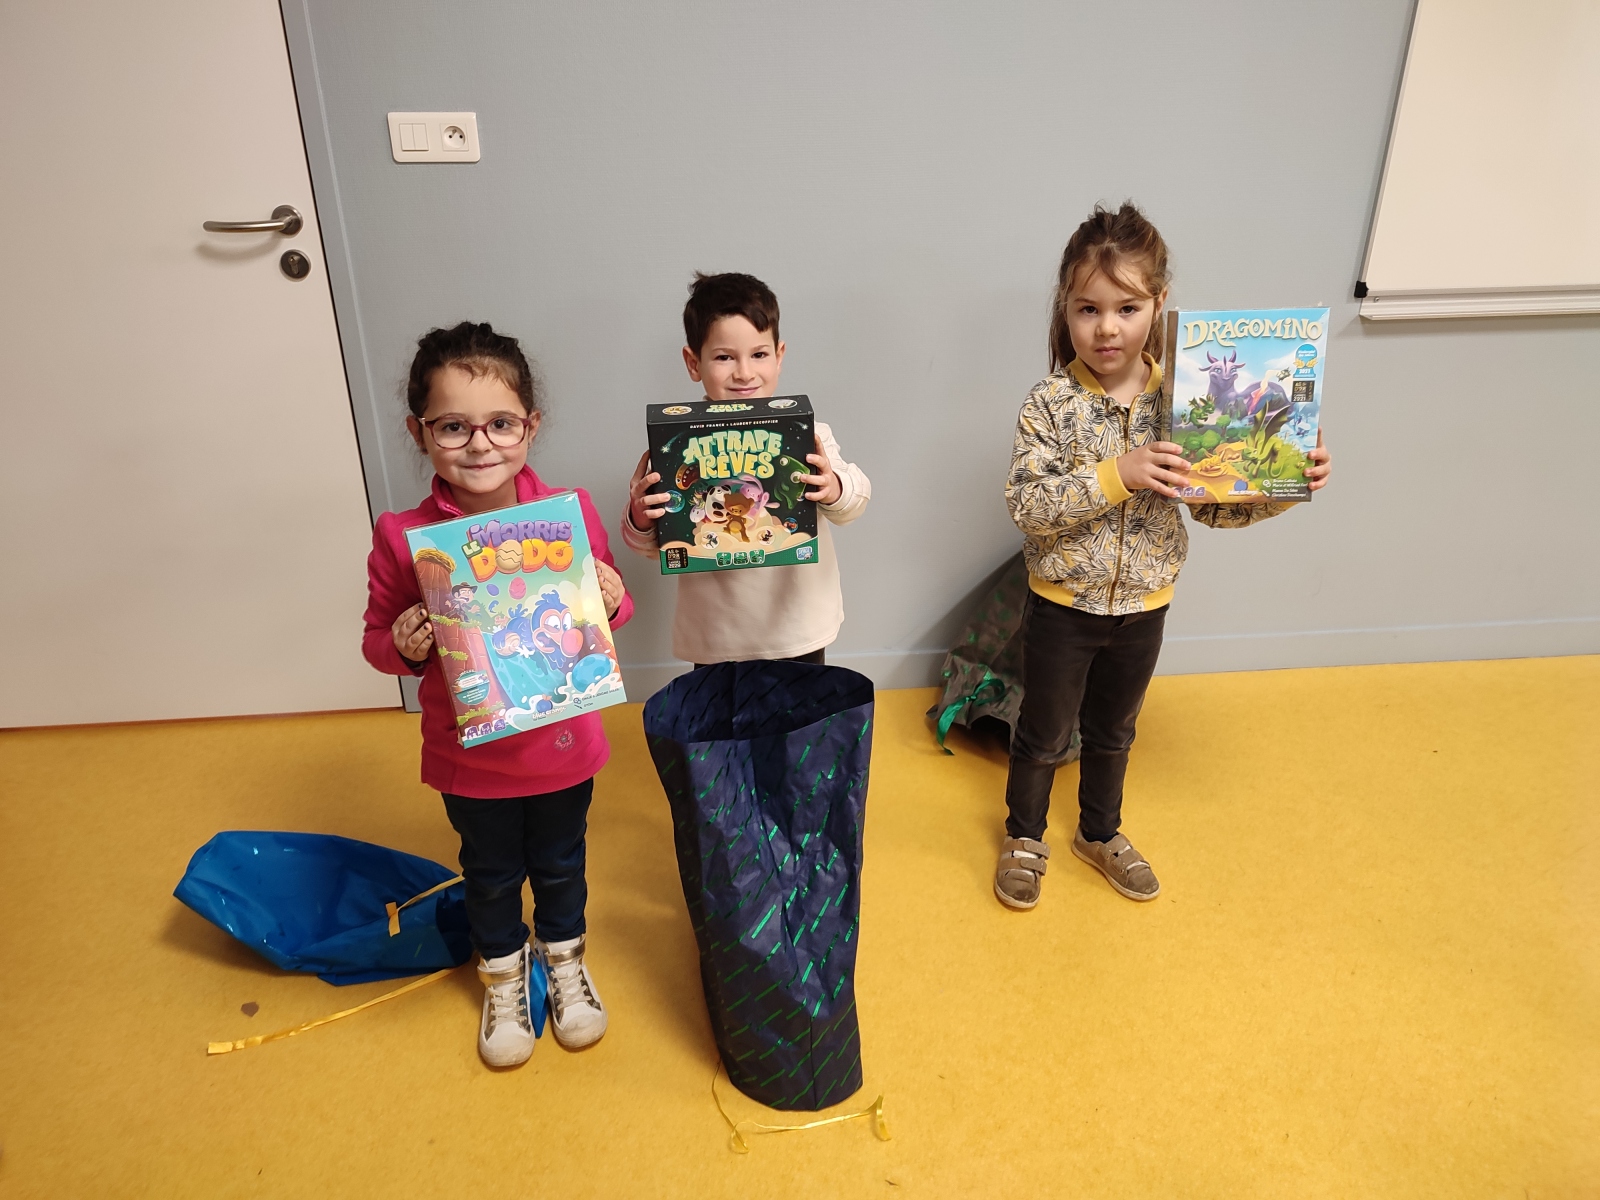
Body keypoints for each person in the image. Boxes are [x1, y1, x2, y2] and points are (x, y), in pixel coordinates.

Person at [994, 203, 1332, 911]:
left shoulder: (1188, 400)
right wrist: (1119, 472)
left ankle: (1098, 832)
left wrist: (1285, 483)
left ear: (1159, 305)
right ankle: (1024, 836)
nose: (1107, 328)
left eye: (1127, 308)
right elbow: (1026, 505)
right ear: (1065, 308)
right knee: (1044, 734)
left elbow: (1212, 507)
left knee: (1114, 733)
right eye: (1088, 309)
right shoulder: (1050, 402)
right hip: (1062, 607)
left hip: (1145, 607)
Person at [362, 321, 632, 1067]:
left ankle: (565, 961)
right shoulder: (404, 536)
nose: (480, 445)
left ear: (530, 427)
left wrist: (611, 599)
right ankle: (504, 977)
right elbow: (376, 643)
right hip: (470, 759)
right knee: (489, 873)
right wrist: (404, 644)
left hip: (563, 746)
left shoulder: (570, 514)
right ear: (420, 432)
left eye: (501, 424)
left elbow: (606, 619)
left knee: (562, 862)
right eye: (454, 427)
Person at [621, 272, 870, 666]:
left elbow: (855, 500)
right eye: (724, 357)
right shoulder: (675, 447)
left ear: (779, 356)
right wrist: (640, 518)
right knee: (717, 711)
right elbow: (655, 547)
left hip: (796, 628)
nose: (744, 372)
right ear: (693, 362)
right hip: (715, 637)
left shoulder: (810, 437)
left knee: (802, 708)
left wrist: (833, 486)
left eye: (759, 354)